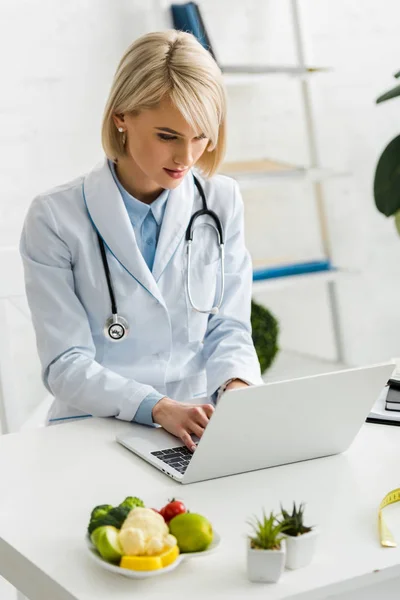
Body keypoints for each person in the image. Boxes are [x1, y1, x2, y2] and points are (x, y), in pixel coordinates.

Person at [20, 30, 262, 451]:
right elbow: (65, 364)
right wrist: (157, 407)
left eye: (201, 135)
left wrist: (237, 389)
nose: (187, 157)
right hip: (92, 428)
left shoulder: (221, 200)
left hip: (197, 425)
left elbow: (229, 326)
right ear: (121, 116)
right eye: (167, 136)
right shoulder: (56, 217)